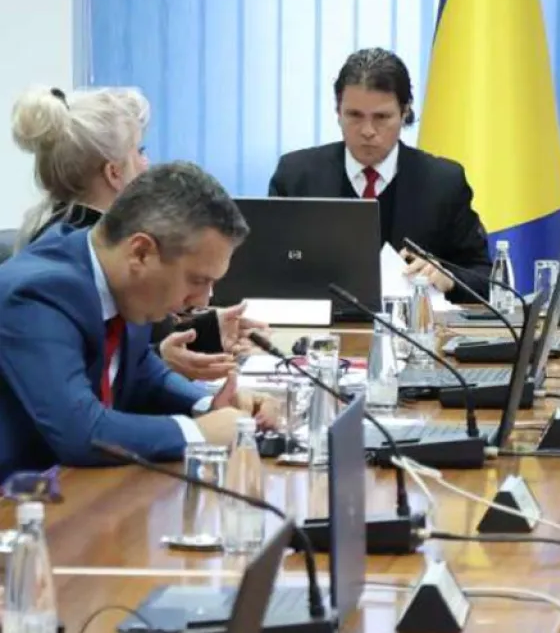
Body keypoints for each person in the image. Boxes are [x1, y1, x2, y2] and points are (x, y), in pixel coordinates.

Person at [0, 162, 279, 481]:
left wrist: (209, 406)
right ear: (142, 252)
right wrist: (198, 433)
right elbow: (81, 433)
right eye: (197, 280)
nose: (203, 301)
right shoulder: (38, 293)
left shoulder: (122, 282)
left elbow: (142, 371)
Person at [10, 85, 262, 381]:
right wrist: (166, 360)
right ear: (114, 172)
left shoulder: (65, 232)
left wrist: (206, 330)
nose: (146, 164)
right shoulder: (89, 259)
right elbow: (100, 368)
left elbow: (134, 344)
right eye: (139, 151)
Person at [268, 48, 492, 302]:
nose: (367, 130)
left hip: (414, 324)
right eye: (354, 115)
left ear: (404, 112)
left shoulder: (443, 183)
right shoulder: (296, 177)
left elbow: (485, 277)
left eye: (381, 117)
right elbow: (266, 267)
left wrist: (448, 278)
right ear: (338, 112)